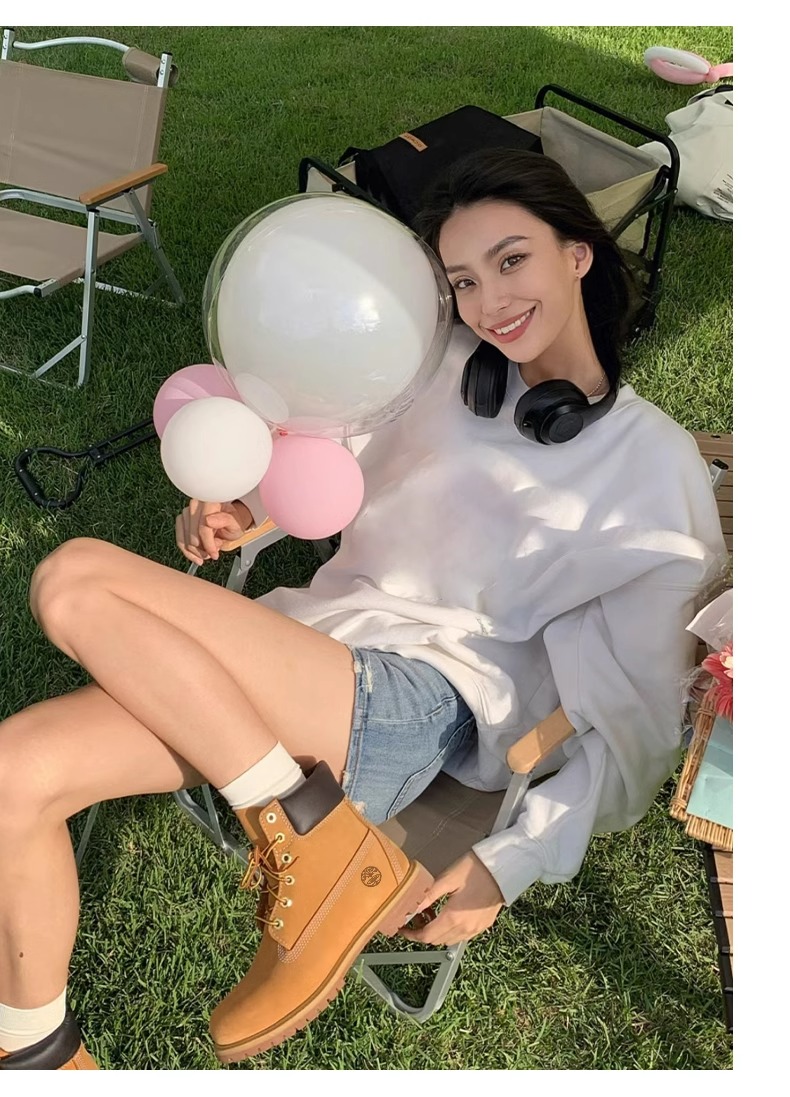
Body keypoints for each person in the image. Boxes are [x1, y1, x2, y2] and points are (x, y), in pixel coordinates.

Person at [0, 148, 727, 1071]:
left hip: (417, 700)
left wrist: (511, 861)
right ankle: (40, 1057)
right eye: (464, 280)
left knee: (74, 579)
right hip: (305, 650)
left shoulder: (651, 467)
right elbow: (322, 463)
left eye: (512, 259)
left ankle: (315, 840)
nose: (490, 301)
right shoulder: (437, 368)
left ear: (577, 253)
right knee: (13, 769)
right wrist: (243, 506)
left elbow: (636, 732)